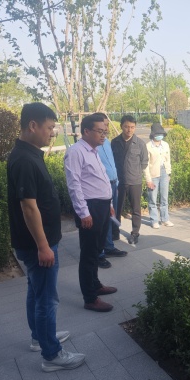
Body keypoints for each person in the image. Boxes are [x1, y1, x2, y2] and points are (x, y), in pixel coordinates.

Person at [7, 102, 85, 372]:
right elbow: (29, 207)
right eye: (50, 127)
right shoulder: (24, 160)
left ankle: (39, 338)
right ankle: (51, 355)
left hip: (37, 243)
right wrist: (43, 246)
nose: (52, 133)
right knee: (47, 299)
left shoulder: (28, 153)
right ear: (33, 125)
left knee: (36, 291)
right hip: (37, 245)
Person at [64, 113, 118, 313]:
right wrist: (83, 213)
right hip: (89, 208)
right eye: (99, 131)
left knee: (97, 250)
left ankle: (95, 284)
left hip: (101, 206)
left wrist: (109, 202)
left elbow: (100, 179)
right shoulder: (76, 152)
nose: (104, 135)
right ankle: (90, 298)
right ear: (86, 131)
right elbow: (74, 184)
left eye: (105, 131)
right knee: (88, 253)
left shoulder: (94, 150)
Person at [94, 112, 127, 269]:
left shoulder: (106, 142)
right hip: (101, 187)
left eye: (107, 125)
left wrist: (117, 183)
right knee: (101, 221)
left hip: (113, 184)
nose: (107, 128)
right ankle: (99, 254)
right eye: (104, 125)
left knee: (109, 218)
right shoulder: (92, 145)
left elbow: (112, 163)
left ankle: (108, 247)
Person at [111, 115, 148, 245]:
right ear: (121, 126)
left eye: (132, 127)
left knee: (136, 210)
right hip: (119, 182)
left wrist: (134, 172)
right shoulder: (114, 142)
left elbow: (144, 162)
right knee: (116, 208)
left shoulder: (140, 143)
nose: (129, 130)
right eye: (126, 127)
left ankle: (135, 233)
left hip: (135, 182)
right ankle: (115, 232)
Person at [144, 122, 174, 229]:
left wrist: (168, 173)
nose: (159, 136)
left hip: (164, 172)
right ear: (153, 134)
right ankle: (154, 220)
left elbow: (168, 160)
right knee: (152, 198)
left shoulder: (165, 145)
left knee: (164, 198)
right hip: (153, 174)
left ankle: (165, 219)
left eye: (161, 134)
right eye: (157, 134)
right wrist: (148, 179)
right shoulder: (148, 146)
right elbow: (145, 165)